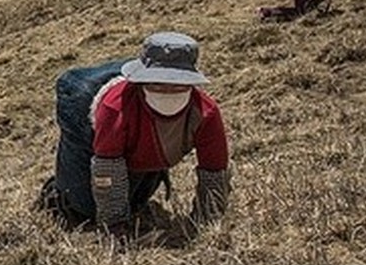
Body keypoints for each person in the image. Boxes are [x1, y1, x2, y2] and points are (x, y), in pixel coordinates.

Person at [39, 32, 231, 239]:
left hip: (151, 146)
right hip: (88, 122)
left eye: (177, 84)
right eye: (157, 83)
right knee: (83, 207)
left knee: (137, 201)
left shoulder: (205, 113)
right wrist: (115, 226)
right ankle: (57, 192)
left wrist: (207, 223)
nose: (167, 90)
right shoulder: (116, 108)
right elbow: (108, 167)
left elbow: (214, 171)